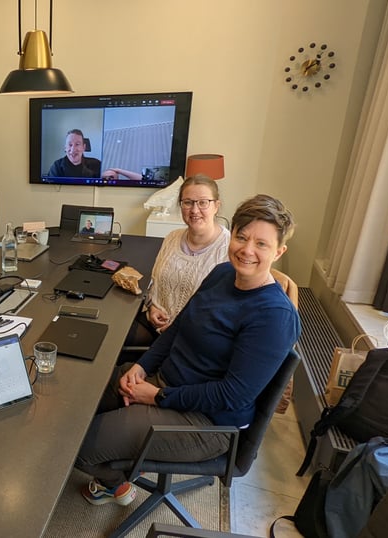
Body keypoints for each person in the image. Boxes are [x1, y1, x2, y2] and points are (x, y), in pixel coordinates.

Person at [75, 194, 299, 506]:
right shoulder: (222, 273)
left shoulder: (274, 316)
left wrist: (157, 397)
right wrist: (141, 366)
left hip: (207, 421)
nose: (247, 250)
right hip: (164, 381)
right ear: (231, 236)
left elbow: (232, 395)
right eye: (242, 237)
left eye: (261, 244)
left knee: (77, 446)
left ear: (278, 252)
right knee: (76, 403)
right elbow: (178, 328)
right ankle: (128, 444)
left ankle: (114, 485)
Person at [127, 175, 230, 348]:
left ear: (216, 206)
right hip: (153, 322)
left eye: (203, 202)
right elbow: (154, 283)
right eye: (188, 202)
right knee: (108, 334)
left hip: (192, 337)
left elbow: (221, 310)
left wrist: (179, 327)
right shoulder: (172, 238)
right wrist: (152, 307)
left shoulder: (229, 250)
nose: (194, 210)